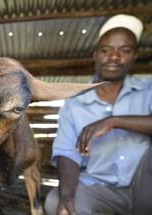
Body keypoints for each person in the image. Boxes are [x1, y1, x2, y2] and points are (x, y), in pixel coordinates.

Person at [44, 14, 152, 215]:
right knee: (56, 202)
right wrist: (67, 196)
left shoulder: (148, 90)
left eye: (125, 50)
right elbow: (67, 152)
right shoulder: (75, 103)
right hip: (101, 188)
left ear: (135, 56)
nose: (114, 57)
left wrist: (114, 121)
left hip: (145, 187)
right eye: (106, 50)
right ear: (95, 55)